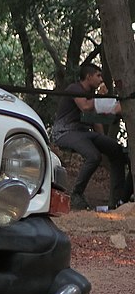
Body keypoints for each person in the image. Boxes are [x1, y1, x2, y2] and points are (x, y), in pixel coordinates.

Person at [53, 62, 130, 210]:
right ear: (88, 77)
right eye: (98, 75)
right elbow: (86, 106)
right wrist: (101, 99)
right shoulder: (75, 88)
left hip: (82, 133)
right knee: (94, 156)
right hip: (64, 133)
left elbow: (95, 120)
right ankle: (76, 194)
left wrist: (104, 141)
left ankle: (119, 200)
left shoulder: (91, 95)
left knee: (117, 151)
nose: (101, 79)